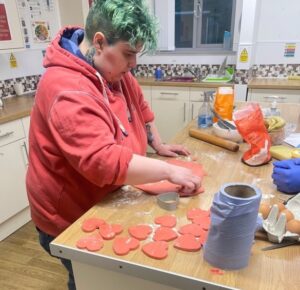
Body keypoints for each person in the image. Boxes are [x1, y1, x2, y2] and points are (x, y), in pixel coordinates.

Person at [26, 1, 202, 289]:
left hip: (101, 197)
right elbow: (103, 161)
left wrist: (156, 141)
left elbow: (140, 105)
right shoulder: (66, 89)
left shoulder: (112, 69)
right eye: (128, 54)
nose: (134, 64)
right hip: (67, 215)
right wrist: (168, 171)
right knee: (88, 278)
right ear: (99, 43)